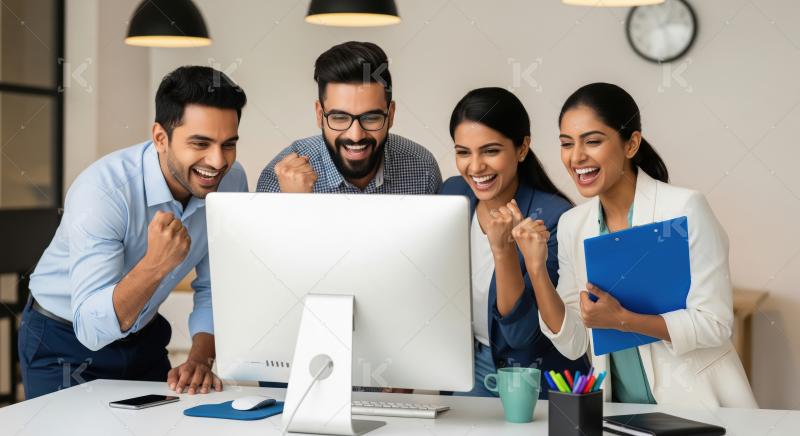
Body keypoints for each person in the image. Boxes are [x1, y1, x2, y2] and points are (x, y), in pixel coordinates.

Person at [513, 82, 757, 407]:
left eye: (593, 141)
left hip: (698, 407)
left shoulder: (683, 209)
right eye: (566, 144)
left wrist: (622, 320)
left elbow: (715, 324)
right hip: (622, 413)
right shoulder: (575, 224)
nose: (576, 157)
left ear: (631, 144)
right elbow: (572, 343)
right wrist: (536, 268)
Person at [19, 66, 248, 399]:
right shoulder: (102, 193)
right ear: (160, 137)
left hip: (144, 335)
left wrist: (201, 358)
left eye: (228, 145)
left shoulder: (232, 181)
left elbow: (216, 286)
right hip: (63, 341)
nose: (216, 161)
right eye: (200, 143)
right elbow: (93, 330)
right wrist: (155, 265)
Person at [440, 87, 589, 398]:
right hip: (467, 362)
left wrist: (503, 250)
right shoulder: (453, 194)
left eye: (491, 151)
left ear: (522, 149)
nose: (475, 166)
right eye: (463, 152)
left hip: (531, 375)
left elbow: (522, 336)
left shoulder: (553, 218)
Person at [256, 41, 441, 195]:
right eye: (339, 117)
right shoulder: (280, 180)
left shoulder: (423, 168)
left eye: (371, 118)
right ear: (320, 115)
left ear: (390, 115)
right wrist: (296, 206)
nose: (356, 135)